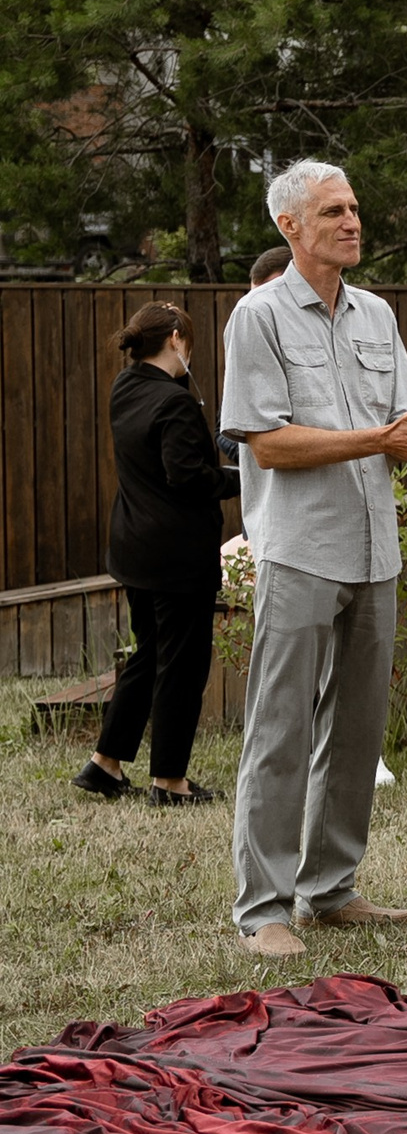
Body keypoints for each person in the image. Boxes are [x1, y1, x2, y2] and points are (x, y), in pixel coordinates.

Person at [220, 160, 407, 958]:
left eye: (354, 207)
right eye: (332, 211)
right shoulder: (256, 317)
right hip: (300, 549)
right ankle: (263, 908)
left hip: (374, 549)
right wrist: (379, 439)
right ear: (289, 226)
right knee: (281, 728)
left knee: (358, 730)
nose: (352, 221)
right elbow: (270, 445)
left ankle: (329, 889)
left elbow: (401, 427)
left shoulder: (377, 315)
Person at [75, 304, 236, 806]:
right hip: (176, 557)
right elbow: (186, 476)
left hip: (134, 549)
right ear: (175, 339)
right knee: (183, 666)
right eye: (189, 343)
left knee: (148, 654)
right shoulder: (174, 402)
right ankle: (169, 781)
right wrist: (247, 479)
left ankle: (105, 763)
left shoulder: (125, 387)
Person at [216, 247, 297, 472]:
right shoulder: (249, 331)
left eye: (270, 293)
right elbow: (221, 429)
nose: (260, 304)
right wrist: (252, 451)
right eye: (254, 295)